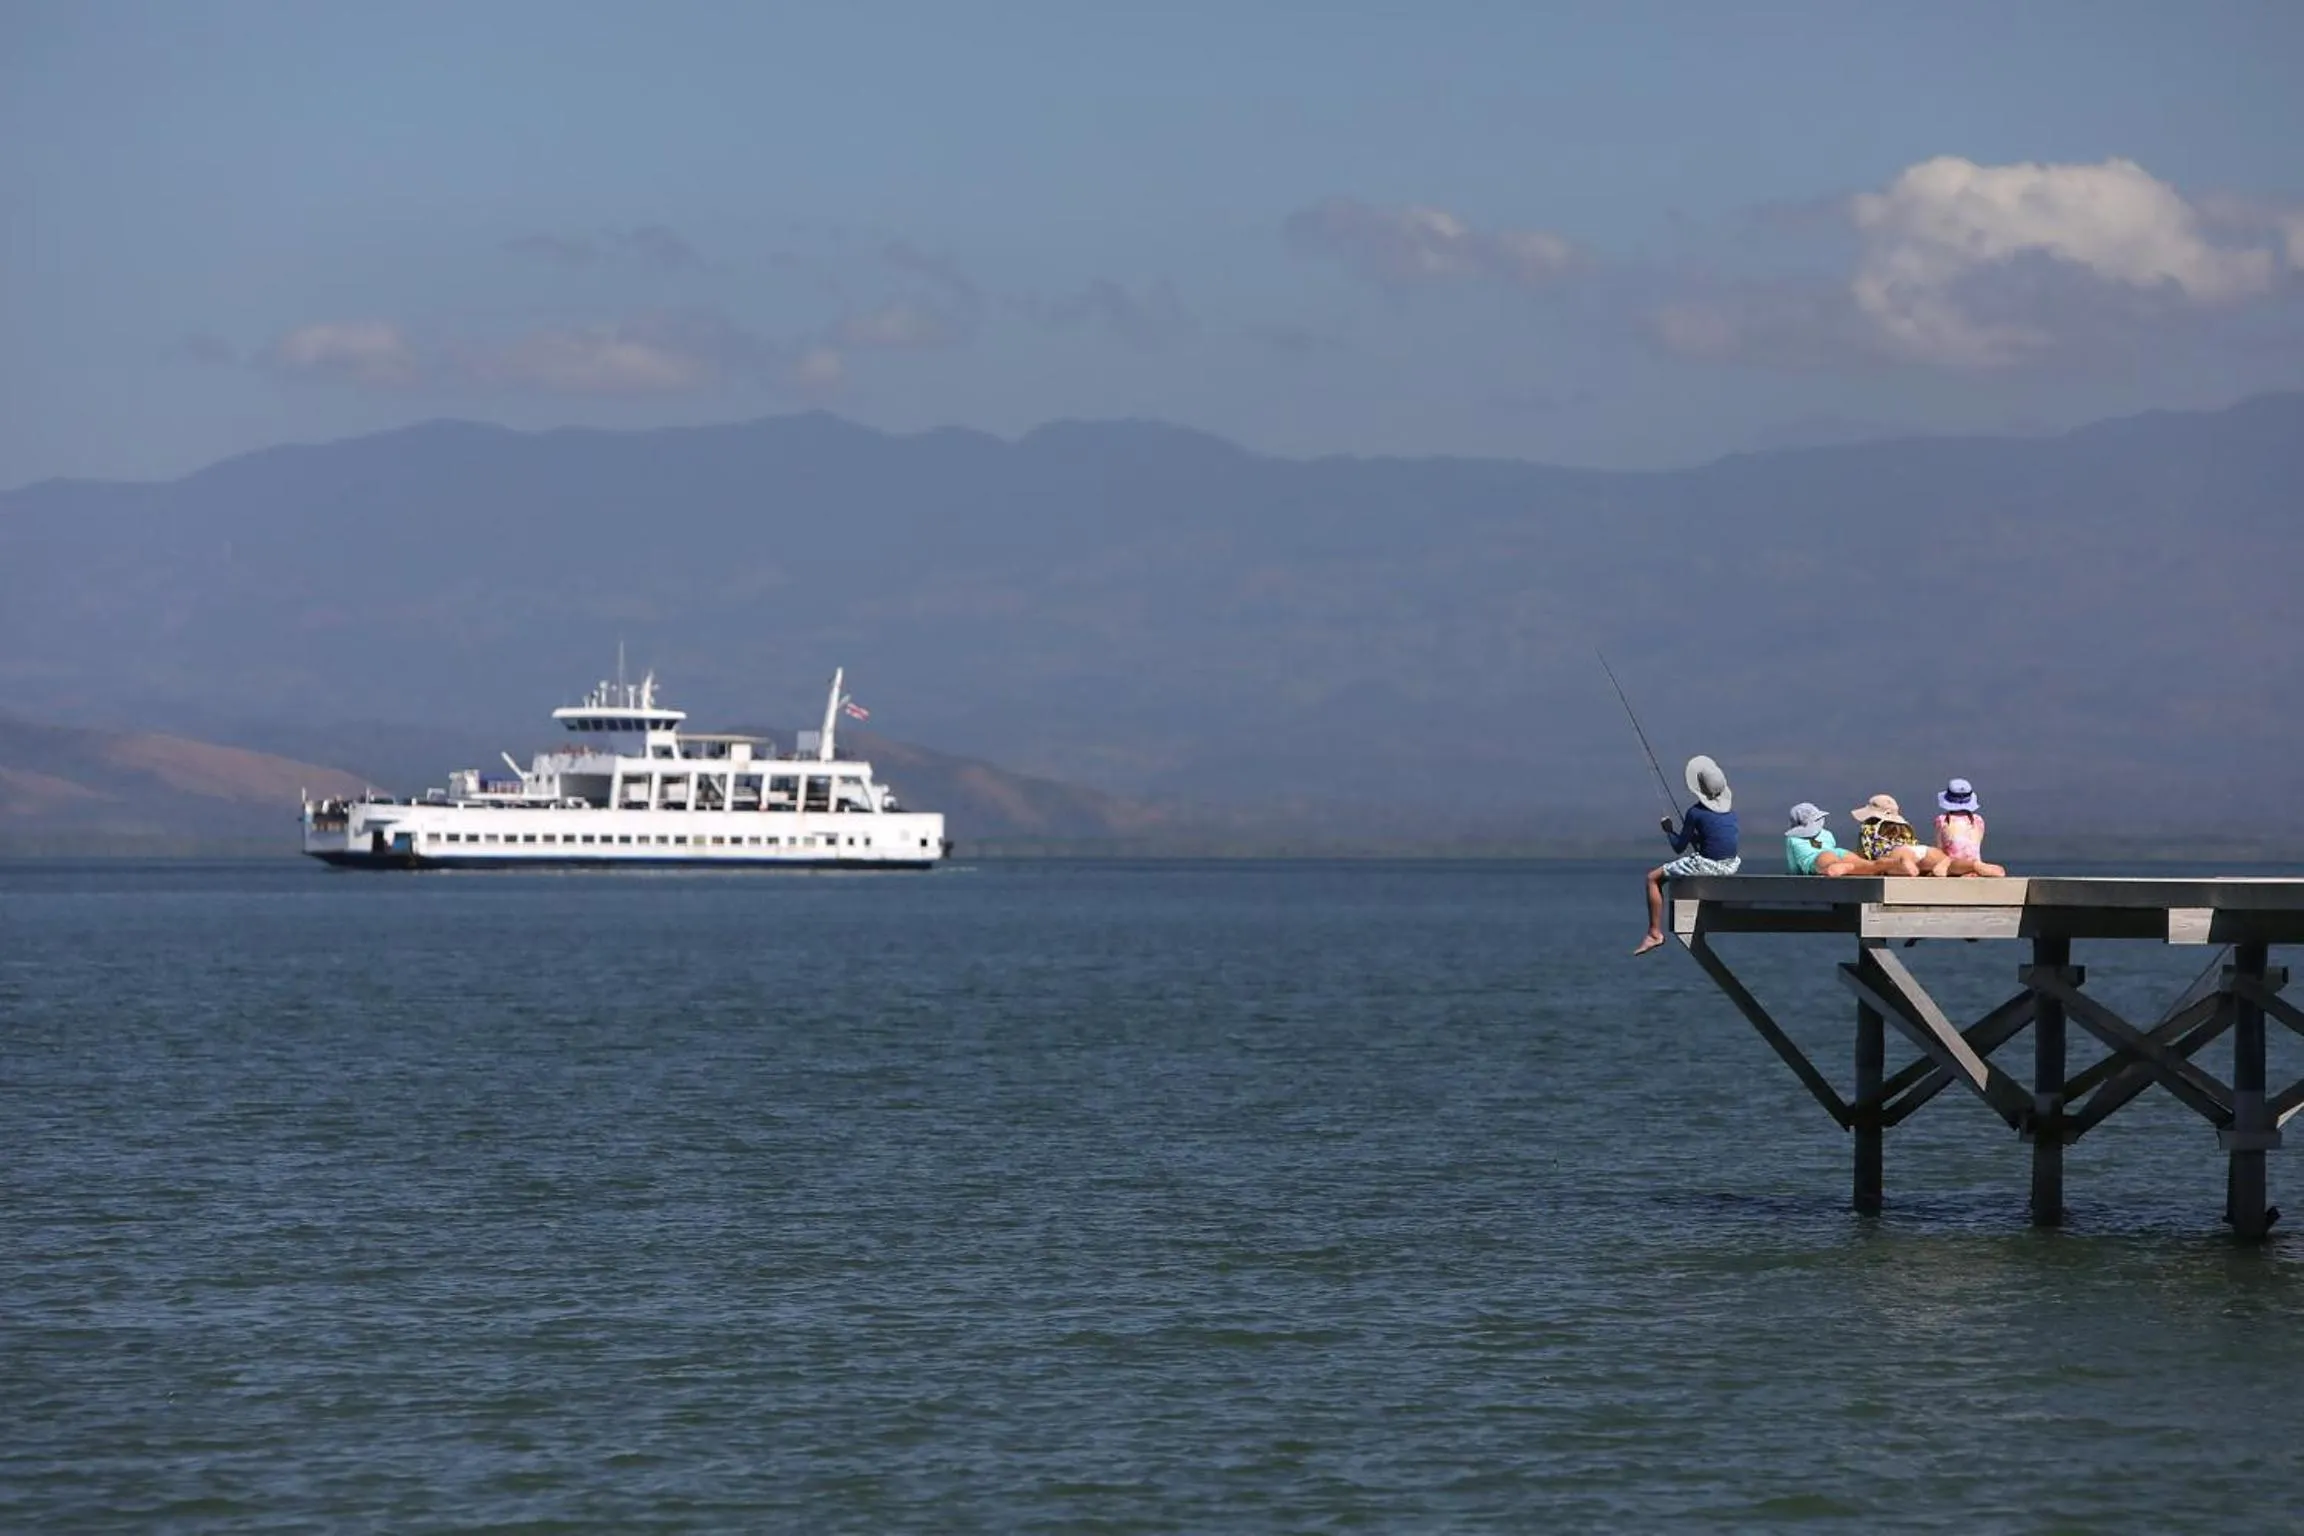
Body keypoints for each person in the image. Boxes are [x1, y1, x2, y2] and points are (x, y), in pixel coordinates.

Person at [1635, 755, 1738, 956]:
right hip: (1731, 864)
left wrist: (1669, 830)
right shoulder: (1731, 813)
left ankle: (1654, 933)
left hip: (1709, 865)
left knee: (1652, 878)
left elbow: (1678, 847)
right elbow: (1717, 841)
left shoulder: (1695, 813)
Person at [1783, 802, 1914, 877]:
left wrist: (1796, 874)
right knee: (1868, 865)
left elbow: (1794, 866)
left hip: (1816, 858)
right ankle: (1895, 863)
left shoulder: (1792, 839)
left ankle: (1834, 868)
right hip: (1839, 852)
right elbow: (1832, 848)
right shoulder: (1827, 833)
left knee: (1827, 862)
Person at [1852, 793, 1942, 875]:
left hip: (1898, 856)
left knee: (1885, 863)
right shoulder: (1904, 828)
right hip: (1920, 851)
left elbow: (1865, 853)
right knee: (1934, 860)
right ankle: (1942, 864)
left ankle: (1904, 862)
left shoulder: (1869, 828)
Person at [1932, 778, 2006, 877]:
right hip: (1973, 859)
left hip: (1954, 865)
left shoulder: (1942, 820)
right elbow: (1975, 846)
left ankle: (1973, 867)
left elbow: (1940, 849)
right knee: (1985, 866)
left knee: (1939, 869)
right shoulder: (1978, 820)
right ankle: (1974, 868)